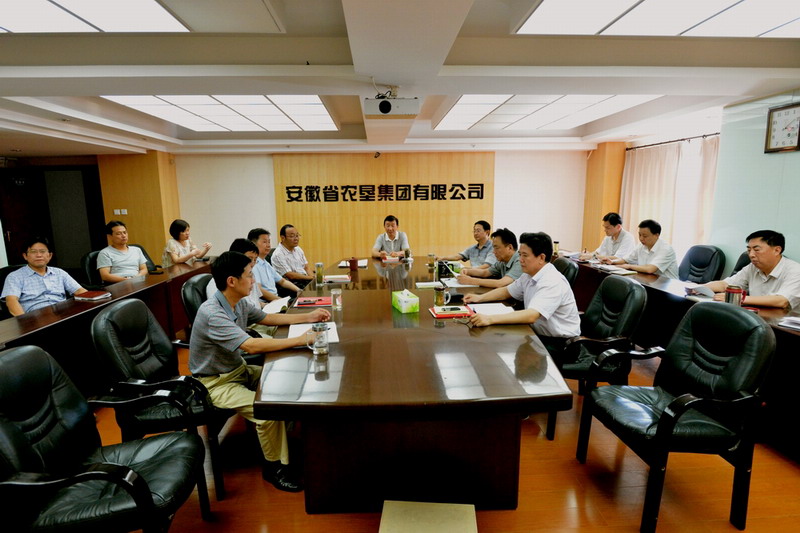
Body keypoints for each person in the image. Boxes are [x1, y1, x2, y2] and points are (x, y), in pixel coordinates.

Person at [189, 251, 330, 492]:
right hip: (215, 384)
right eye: (249, 275)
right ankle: (274, 468)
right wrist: (302, 340)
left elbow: (267, 318)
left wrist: (310, 316)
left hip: (237, 370)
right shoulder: (213, 313)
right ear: (231, 281)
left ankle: (283, 442)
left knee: (287, 382)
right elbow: (251, 346)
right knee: (267, 412)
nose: (254, 281)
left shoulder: (237, 302)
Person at [464, 232, 580, 350]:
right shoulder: (529, 275)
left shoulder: (552, 281)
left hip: (559, 344)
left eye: (525, 255)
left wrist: (489, 319)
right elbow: (507, 291)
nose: (520, 260)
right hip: (537, 334)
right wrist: (479, 298)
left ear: (541, 258)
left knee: (497, 345)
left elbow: (531, 315)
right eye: (520, 255)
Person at [693, 230, 800, 309]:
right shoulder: (752, 267)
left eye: (756, 250)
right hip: (757, 317)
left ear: (777, 250)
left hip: (785, 326)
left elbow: (782, 301)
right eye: (749, 250)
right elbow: (726, 285)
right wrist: (699, 288)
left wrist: (737, 298)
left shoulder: (795, 270)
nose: (751, 255)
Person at [1, 237, 87, 316]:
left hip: (63, 314)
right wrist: (24, 322)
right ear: (25, 256)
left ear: (50, 255)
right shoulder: (14, 277)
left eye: (42, 251)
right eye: (33, 252)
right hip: (35, 318)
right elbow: (11, 301)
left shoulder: (59, 273)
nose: (39, 255)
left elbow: (79, 291)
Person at [601, 219, 678, 279]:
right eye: (639, 235)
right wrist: (612, 262)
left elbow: (650, 269)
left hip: (666, 286)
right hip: (648, 281)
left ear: (656, 235)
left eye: (645, 236)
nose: (641, 238)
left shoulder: (666, 249)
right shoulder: (641, 246)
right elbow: (626, 259)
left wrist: (629, 266)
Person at [455, 228, 522, 288]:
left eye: (496, 248)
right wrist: (467, 271)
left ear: (509, 247)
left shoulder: (520, 261)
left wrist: (471, 281)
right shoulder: (502, 261)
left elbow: (500, 283)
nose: (493, 252)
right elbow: (485, 272)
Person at [247, 228, 301, 301]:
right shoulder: (253, 265)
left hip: (276, 299)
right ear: (253, 244)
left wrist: (299, 290)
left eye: (269, 242)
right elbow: (259, 290)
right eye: (264, 242)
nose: (268, 245)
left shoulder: (266, 263)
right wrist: (281, 301)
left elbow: (282, 281)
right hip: (267, 302)